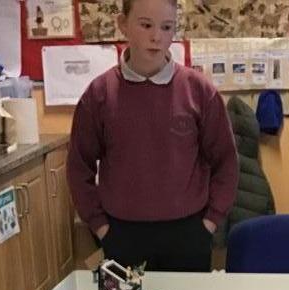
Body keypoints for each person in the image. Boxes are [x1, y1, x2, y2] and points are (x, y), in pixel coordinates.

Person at [68, 0, 238, 272]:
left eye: (166, 27)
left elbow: (226, 162)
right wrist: (101, 227)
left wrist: (210, 222)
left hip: (188, 235)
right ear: (123, 24)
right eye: (146, 25)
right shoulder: (99, 94)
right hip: (122, 235)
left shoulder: (199, 91)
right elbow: (79, 167)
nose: (156, 36)